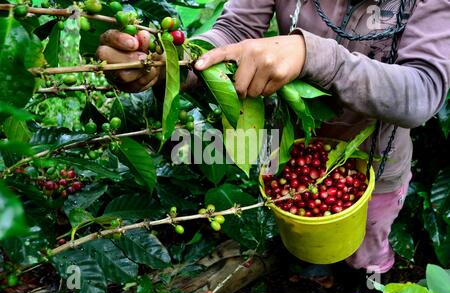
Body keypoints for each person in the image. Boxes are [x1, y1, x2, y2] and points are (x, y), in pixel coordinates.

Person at [97, 0, 450, 276]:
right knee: (302, 227)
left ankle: (367, 275)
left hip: (373, 161)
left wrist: (315, 56)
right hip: (289, 148)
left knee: (367, 237)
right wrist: (173, 64)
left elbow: (424, 88)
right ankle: (312, 264)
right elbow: (233, 30)